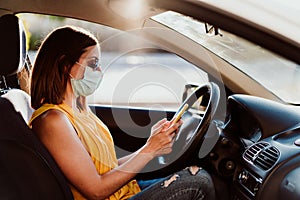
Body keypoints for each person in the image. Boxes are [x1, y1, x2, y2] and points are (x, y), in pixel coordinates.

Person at [29, 25, 216, 200]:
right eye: (93, 63)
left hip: (125, 192)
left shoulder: (78, 111)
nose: (99, 70)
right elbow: (95, 190)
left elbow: (106, 167)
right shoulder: (53, 120)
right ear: (65, 65)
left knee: (197, 175)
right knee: (198, 182)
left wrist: (152, 145)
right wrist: (149, 150)